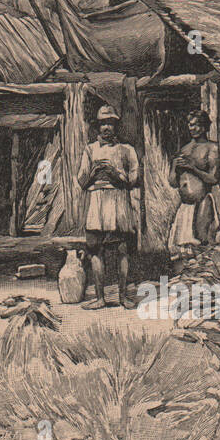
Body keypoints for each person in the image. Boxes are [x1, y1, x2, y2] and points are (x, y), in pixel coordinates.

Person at [75, 105, 140, 310]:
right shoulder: (90, 149)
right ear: (97, 126)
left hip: (118, 200)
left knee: (122, 250)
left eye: (110, 123)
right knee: (95, 249)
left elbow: (134, 180)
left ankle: (123, 297)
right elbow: (81, 180)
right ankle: (100, 297)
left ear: (116, 126)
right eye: (103, 123)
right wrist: (94, 172)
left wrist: (115, 173)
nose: (106, 127)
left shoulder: (127, 150)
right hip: (97, 202)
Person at [168, 109, 220, 272]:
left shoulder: (212, 148)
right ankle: (182, 284)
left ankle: (203, 283)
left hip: (202, 202)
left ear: (205, 126)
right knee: (180, 249)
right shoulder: (184, 149)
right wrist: (174, 168)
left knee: (201, 244)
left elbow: (213, 179)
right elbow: (172, 182)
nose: (193, 128)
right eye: (191, 125)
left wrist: (193, 168)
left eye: (198, 125)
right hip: (185, 206)